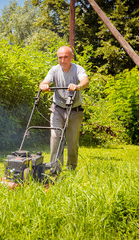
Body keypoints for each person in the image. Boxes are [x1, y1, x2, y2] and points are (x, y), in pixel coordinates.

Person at [39, 46, 89, 174]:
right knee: (55, 137)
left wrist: (77, 86)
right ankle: (55, 169)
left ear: (71, 57)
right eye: (60, 57)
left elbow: (85, 81)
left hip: (75, 110)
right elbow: (44, 81)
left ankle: (71, 169)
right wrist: (44, 85)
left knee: (72, 142)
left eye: (66, 57)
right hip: (57, 109)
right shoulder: (54, 70)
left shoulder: (78, 69)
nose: (63, 60)